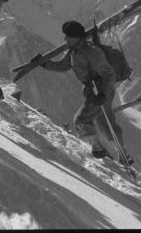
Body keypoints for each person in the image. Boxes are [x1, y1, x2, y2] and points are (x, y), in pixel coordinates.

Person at [33, 20, 131, 163]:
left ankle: (99, 149)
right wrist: (44, 63)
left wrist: (103, 93)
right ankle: (123, 155)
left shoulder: (92, 52)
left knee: (81, 120)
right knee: (104, 121)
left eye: (68, 36)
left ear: (77, 37)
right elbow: (62, 66)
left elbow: (109, 74)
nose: (65, 39)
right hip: (94, 90)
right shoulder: (73, 51)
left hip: (101, 90)